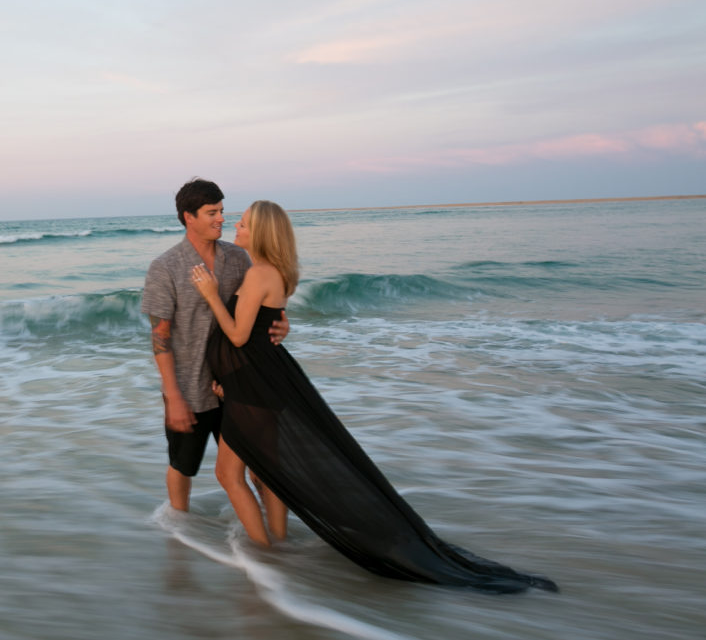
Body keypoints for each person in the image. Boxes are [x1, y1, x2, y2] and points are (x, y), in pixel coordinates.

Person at [191, 200, 557, 593]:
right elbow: (264, 331)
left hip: (257, 385)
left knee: (228, 473)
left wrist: (211, 293)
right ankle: (278, 546)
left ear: (260, 232)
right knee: (266, 471)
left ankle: (264, 556)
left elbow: (239, 336)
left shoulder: (260, 272)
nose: (236, 227)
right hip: (259, 381)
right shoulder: (271, 272)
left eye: (243, 223)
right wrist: (229, 372)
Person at [141, 179, 288, 515]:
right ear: (188, 217)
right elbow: (160, 337)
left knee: (256, 467)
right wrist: (174, 398)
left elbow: (259, 306)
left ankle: (273, 543)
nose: (221, 218)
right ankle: (180, 534)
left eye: (222, 211)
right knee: (183, 465)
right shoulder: (165, 267)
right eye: (212, 212)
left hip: (237, 383)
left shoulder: (238, 258)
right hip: (190, 388)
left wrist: (282, 323)